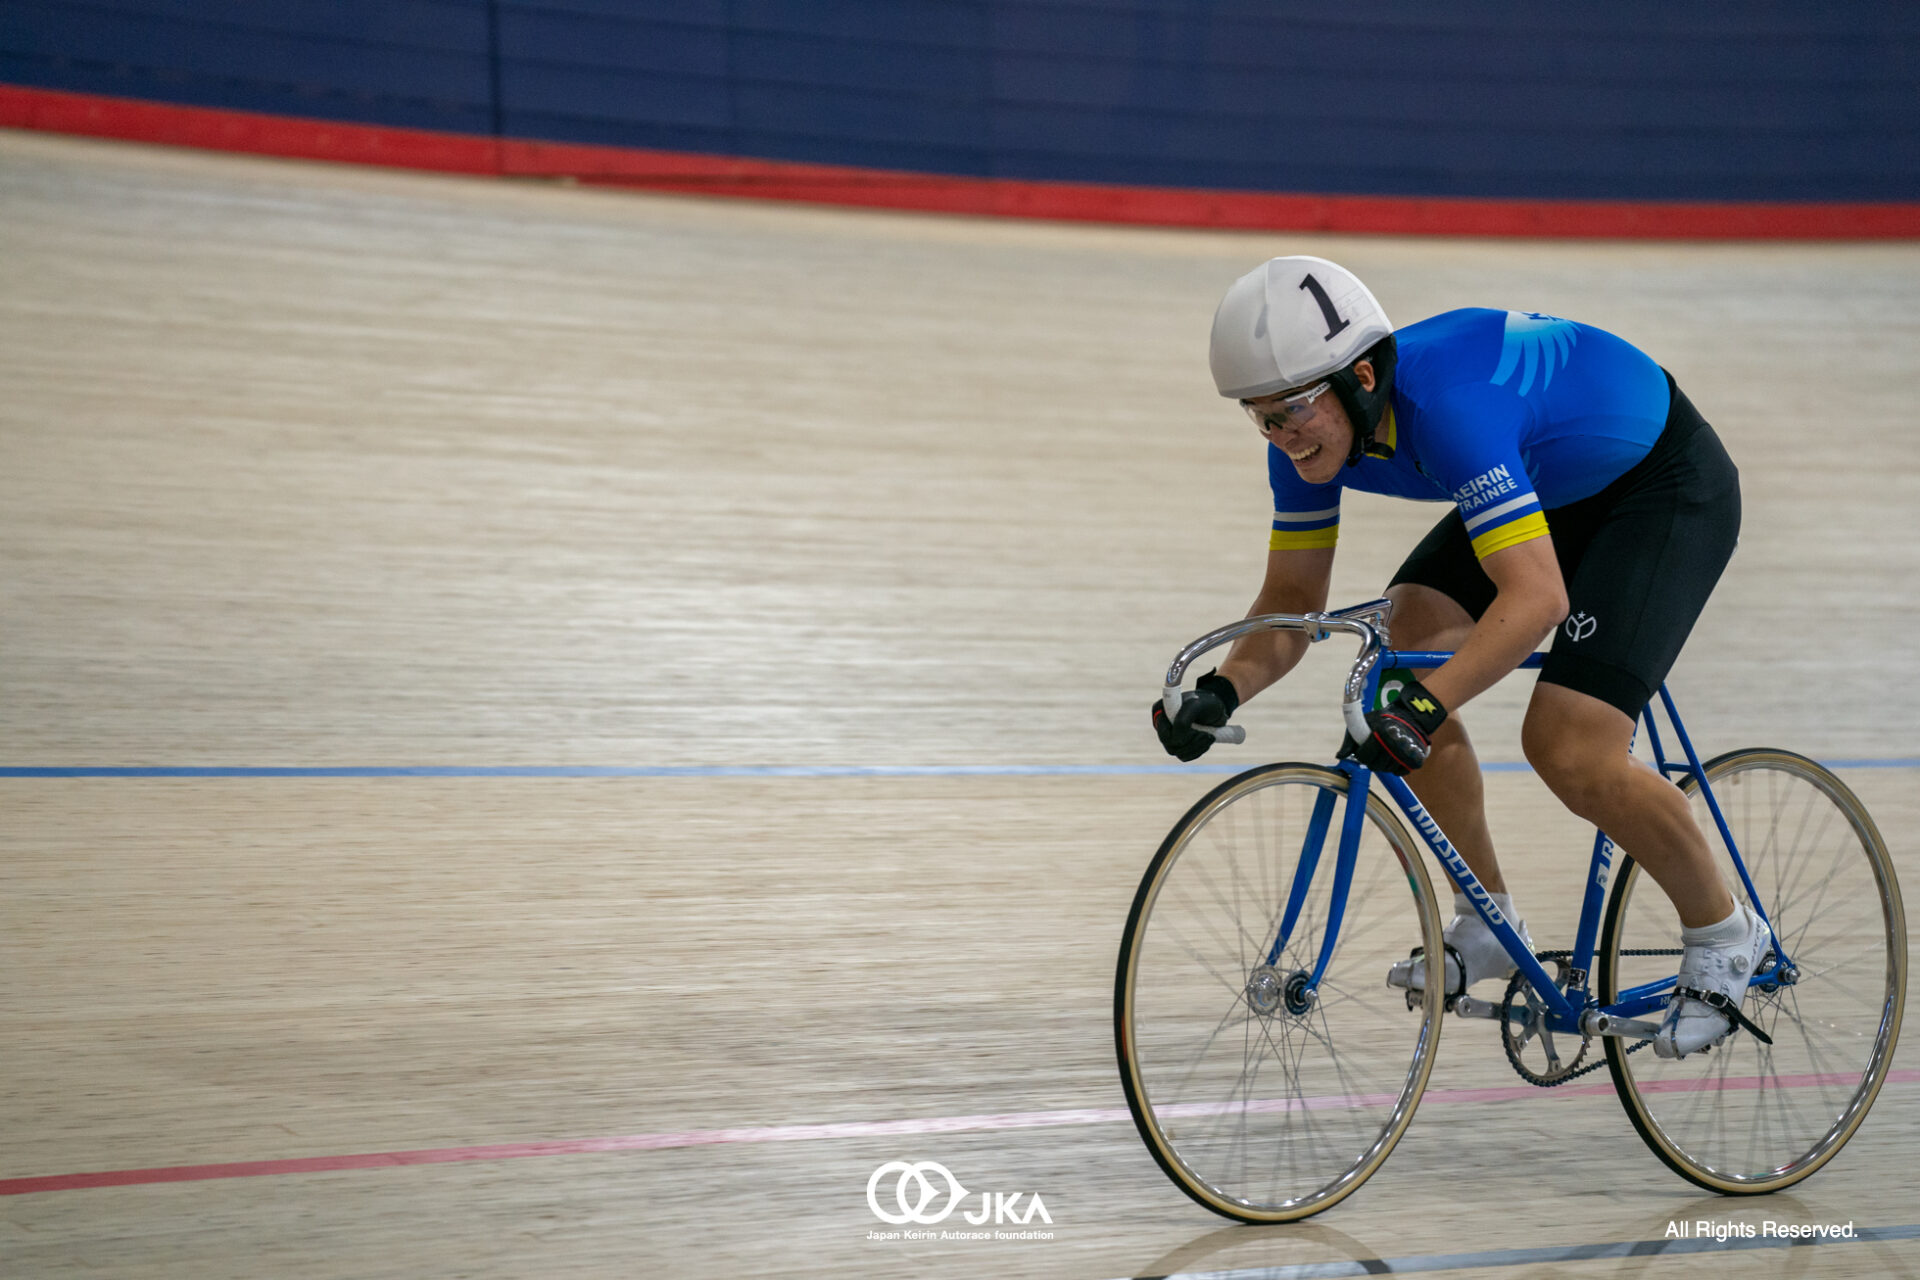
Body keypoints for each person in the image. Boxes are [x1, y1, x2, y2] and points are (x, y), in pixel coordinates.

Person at [1151, 255, 1761, 1059]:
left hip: (1657, 487)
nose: (1280, 434)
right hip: (1548, 480)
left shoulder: (1447, 409)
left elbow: (1535, 600)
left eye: (1292, 409)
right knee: (1394, 668)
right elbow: (1293, 596)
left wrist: (1427, 709)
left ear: (1361, 377)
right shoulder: (1303, 440)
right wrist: (1223, 690)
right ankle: (1486, 921)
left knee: (1568, 744)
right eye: (1259, 415)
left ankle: (1724, 934)